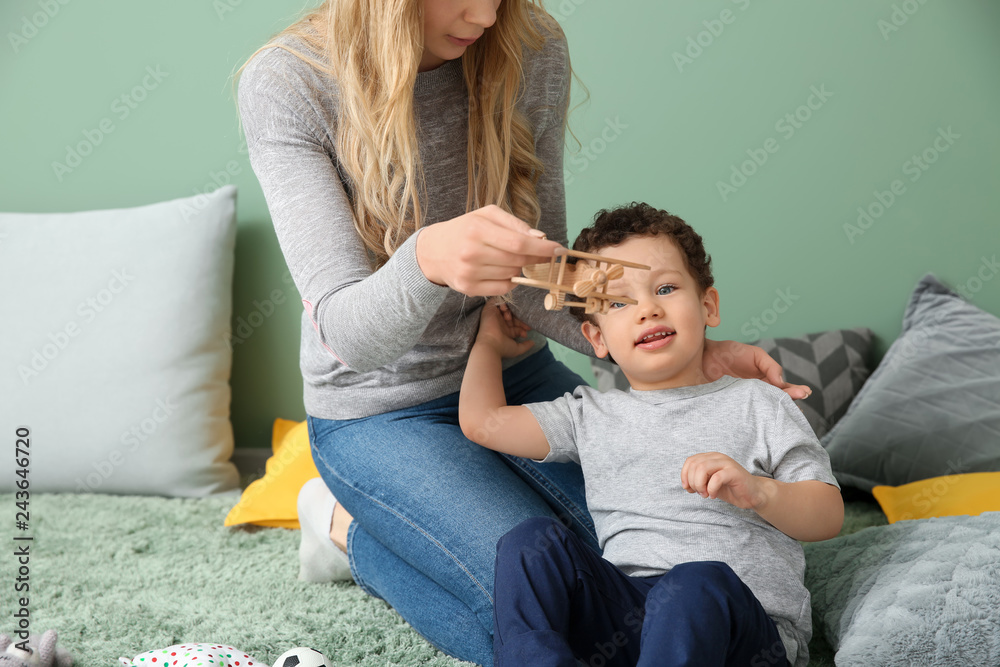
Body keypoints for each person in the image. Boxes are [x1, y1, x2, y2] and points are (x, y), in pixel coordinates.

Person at [234, 1, 813, 664]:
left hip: (518, 374)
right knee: (532, 622)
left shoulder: (528, 46)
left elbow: (543, 275)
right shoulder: (288, 84)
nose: (485, 13)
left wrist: (688, 350)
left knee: (656, 573)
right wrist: (427, 258)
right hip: (379, 410)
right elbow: (350, 336)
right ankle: (345, 530)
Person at [459, 202, 844, 667]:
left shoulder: (760, 402)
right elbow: (482, 422)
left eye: (665, 287)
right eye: (619, 303)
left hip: (742, 630)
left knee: (693, 585)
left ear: (708, 306)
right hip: (629, 628)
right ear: (596, 339)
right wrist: (488, 344)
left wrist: (759, 491)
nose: (648, 309)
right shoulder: (590, 414)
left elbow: (828, 517)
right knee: (528, 544)